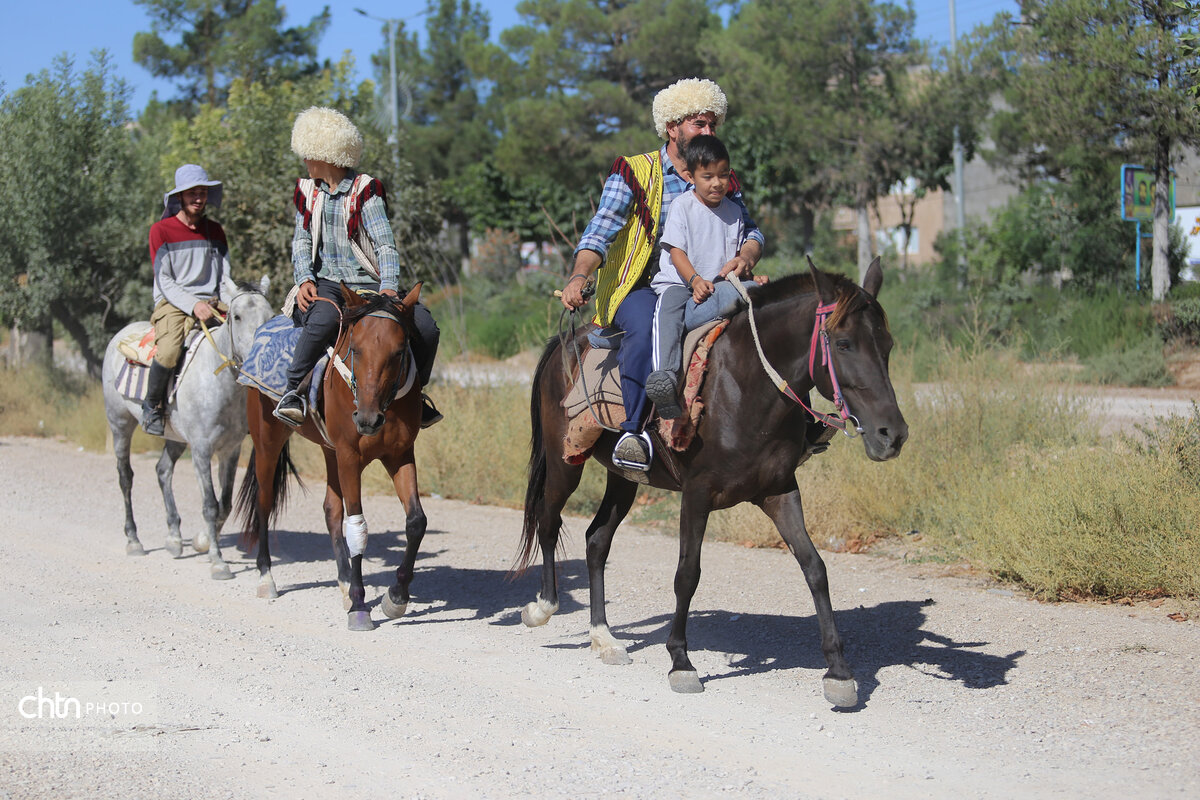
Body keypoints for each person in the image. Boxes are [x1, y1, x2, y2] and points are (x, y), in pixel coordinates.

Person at [559, 77, 765, 473]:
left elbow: (751, 229)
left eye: (712, 125)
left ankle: (779, 426)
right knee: (648, 324)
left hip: (711, 283)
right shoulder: (634, 171)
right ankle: (633, 432)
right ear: (672, 128)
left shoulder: (721, 175)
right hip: (639, 287)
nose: (707, 132)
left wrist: (746, 256)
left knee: (765, 315)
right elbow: (599, 232)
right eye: (697, 124)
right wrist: (579, 276)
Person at [274, 106, 442, 428]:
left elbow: (385, 246)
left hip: (372, 284)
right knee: (322, 319)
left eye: (308, 154)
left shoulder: (366, 191)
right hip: (326, 283)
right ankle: (292, 390)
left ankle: (417, 393)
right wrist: (304, 278)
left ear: (325, 154)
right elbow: (301, 243)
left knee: (426, 327)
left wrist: (389, 286)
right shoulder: (307, 192)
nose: (305, 161)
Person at [645, 135, 767, 420]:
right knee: (668, 314)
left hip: (716, 287)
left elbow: (733, 255)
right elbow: (676, 252)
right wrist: (694, 281)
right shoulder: (683, 207)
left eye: (723, 175)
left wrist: (749, 275)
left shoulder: (735, 213)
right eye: (708, 176)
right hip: (680, 284)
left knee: (755, 302)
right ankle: (665, 377)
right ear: (690, 176)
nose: (717, 183)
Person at [143, 164, 239, 437]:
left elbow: (224, 277)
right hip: (172, 304)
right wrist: (193, 305)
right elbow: (165, 280)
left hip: (212, 302)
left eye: (202, 193)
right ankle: (151, 406)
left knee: (244, 338)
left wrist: (233, 303)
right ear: (180, 197)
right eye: (191, 194)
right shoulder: (160, 231)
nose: (198, 199)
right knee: (170, 350)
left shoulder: (216, 231)